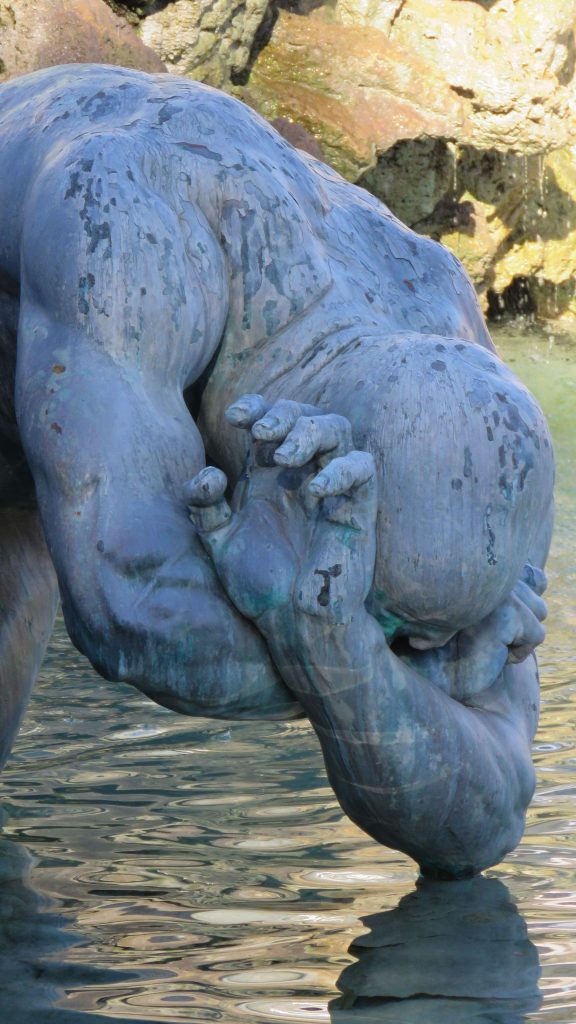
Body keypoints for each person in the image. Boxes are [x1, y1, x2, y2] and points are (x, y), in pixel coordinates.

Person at [0, 64, 554, 875]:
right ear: (308, 469)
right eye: (399, 628)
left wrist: (334, 638)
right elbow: (128, 612)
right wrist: (345, 655)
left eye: (424, 641)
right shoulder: (129, 233)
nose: (419, 652)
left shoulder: (459, 367)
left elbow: (489, 816)